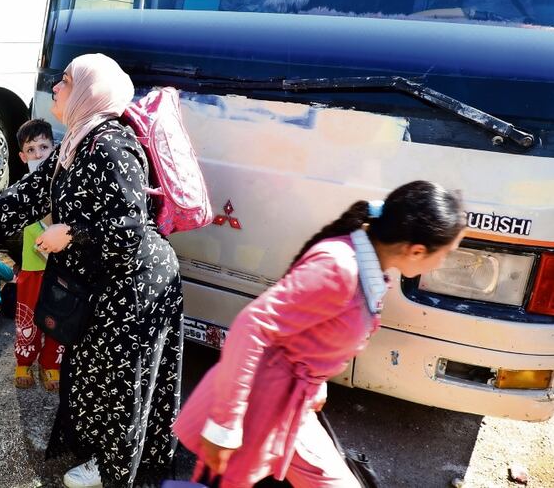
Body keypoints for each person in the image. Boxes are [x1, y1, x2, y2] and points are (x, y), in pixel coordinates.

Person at [0, 54, 184, 488]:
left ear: (90, 92)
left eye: (67, 81)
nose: (55, 86)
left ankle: (113, 469)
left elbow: (130, 228)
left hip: (134, 286)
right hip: (102, 281)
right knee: (91, 370)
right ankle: (98, 452)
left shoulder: (112, 145)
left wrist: (70, 233)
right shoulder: (79, 140)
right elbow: (32, 191)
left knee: (117, 381)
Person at [173, 181, 465, 488]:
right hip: (258, 407)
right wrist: (225, 424)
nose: (442, 263)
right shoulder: (340, 267)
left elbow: (318, 331)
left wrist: (317, 380)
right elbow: (252, 325)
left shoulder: (365, 266)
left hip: (289, 408)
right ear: (416, 250)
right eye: (445, 254)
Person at [11, 119, 63, 391]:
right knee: (27, 318)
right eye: (31, 149)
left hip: (60, 268)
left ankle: (52, 362)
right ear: (22, 156)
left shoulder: (64, 185)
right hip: (32, 268)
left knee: (59, 318)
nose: (38, 154)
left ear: (55, 149)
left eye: (44, 147)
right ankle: (24, 360)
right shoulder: (23, 188)